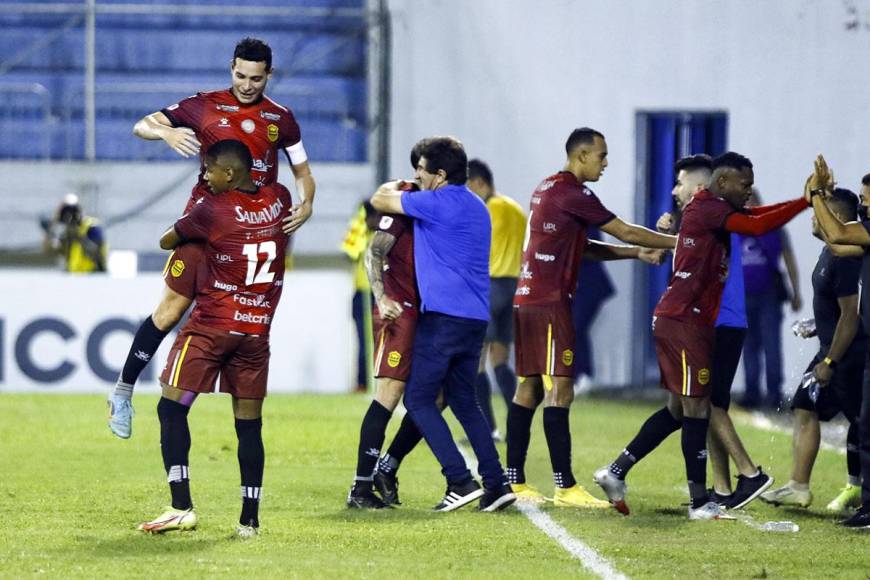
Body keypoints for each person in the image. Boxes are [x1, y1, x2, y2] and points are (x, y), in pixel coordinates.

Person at [108, 37, 316, 439]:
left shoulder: (281, 119)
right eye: (240, 75)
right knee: (170, 312)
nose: (247, 84)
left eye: (256, 78)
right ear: (231, 68)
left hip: (251, 232)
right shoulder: (204, 104)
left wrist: (306, 204)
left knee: (247, 324)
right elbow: (142, 124)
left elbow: (304, 173)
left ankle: (231, 416)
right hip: (204, 223)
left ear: (268, 74)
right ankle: (123, 390)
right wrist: (165, 135)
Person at [594, 151, 810, 520]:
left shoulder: (708, 210)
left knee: (681, 408)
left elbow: (755, 218)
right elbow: (756, 225)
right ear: (719, 182)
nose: (749, 192)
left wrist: (802, 201)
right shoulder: (707, 207)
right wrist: (806, 201)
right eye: (744, 185)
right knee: (699, 407)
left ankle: (615, 472)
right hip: (686, 321)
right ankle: (705, 499)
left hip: (681, 319)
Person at [506, 127, 675, 507]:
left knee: (530, 387)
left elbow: (582, 247)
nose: (606, 162)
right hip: (550, 302)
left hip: (528, 297)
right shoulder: (573, 192)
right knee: (560, 390)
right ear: (581, 155)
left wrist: (636, 255)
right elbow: (626, 230)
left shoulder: (546, 187)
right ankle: (565, 487)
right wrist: (684, 243)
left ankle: (514, 481)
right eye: (601, 155)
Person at [137, 140, 291, 537]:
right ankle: (249, 520)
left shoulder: (212, 208)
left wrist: (200, 225)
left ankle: (180, 505)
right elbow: (283, 198)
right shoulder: (279, 197)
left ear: (228, 173)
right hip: (256, 331)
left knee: (172, 409)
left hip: (212, 327)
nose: (204, 177)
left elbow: (166, 240)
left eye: (209, 171)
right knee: (249, 426)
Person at [370, 136, 514, 512]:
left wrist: (397, 184)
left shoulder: (436, 202)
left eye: (421, 170)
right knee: (465, 401)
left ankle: (459, 479)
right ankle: (497, 484)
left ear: (439, 174)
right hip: (473, 319)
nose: (416, 176)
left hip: (443, 319)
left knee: (418, 399)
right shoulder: (477, 205)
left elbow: (380, 200)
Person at [657, 155, 774, 510]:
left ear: (701, 186)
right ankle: (722, 487)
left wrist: (668, 234)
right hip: (711, 320)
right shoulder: (706, 216)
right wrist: (669, 233)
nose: (675, 191)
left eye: (680, 183)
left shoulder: (719, 214)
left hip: (723, 319)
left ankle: (750, 472)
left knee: (707, 402)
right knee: (702, 403)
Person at [760, 188, 865, 511]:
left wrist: (830, 361)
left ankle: (856, 489)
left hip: (845, 356)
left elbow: (851, 315)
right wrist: (818, 325)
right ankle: (799, 486)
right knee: (805, 407)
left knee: (860, 425)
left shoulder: (846, 256)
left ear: (836, 218)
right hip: (830, 348)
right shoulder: (830, 252)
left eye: (819, 212)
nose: (813, 217)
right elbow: (839, 309)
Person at [346, 141, 425, 508]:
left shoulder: (441, 202)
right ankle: (361, 487)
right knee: (389, 395)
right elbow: (374, 250)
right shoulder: (403, 199)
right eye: (420, 169)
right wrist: (382, 297)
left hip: (431, 313)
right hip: (400, 311)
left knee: (432, 398)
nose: (422, 175)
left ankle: (388, 466)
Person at [803, 158, 870, 528]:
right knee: (864, 425)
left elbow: (841, 235)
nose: (863, 207)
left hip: (854, 349)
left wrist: (816, 196)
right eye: (860, 201)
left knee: (864, 424)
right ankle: (864, 501)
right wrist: (817, 196)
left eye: (867, 201)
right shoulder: (854, 241)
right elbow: (835, 238)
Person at [467, 158, 526, 437]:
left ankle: (486, 428)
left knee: (476, 359)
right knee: (501, 359)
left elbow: (478, 250)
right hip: (514, 287)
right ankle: (516, 425)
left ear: (479, 182)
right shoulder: (515, 208)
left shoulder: (489, 210)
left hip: (491, 287)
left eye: (469, 187)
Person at [740, 191, 802, 409]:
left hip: (768, 295)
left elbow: (789, 260)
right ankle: (752, 393)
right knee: (748, 347)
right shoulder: (734, 230)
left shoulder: (774, 229)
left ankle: (774, 394)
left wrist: (796, 292)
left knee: (771, 345)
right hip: (743, 295)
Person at [341, 200, 380, 393]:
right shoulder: (361, 232)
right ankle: (363, 382)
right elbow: (349, 253)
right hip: (363, 292)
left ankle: (384, 382)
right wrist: (362, 231)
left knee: (383, 341)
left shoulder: (387, 236)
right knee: (364, 341)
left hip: (382, 294)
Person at [571, 227, 615, 389]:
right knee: (572, 328)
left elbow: (588, 247)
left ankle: (584, 375)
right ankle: (576, 375)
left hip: (590, 285)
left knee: (577, 327)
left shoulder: (585, 220)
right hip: (578, 285)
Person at [41, 193, 107, 273]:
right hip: (75, 277)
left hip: (93, 275)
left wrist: (77, 236)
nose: (70, 216)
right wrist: (50, 231)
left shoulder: (92, 227)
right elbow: (50, 251)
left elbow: (96, 253)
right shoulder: (68, 233)